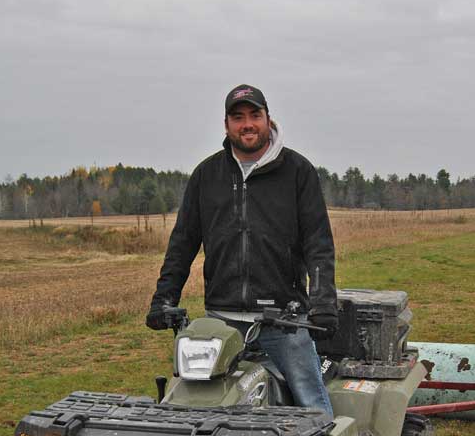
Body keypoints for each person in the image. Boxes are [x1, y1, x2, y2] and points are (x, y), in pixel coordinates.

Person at [145, 84, 338, 413]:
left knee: (311, 406)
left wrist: (323, 302)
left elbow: (317, 243)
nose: (247, 124)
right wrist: (164, 297)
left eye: (254, 115)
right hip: (221, 319)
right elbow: (182, 243)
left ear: (267, 119)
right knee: (197, 405)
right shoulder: (207, 175)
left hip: (285, 319)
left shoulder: (298, 172)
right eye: (238, 117)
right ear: (226, 125)